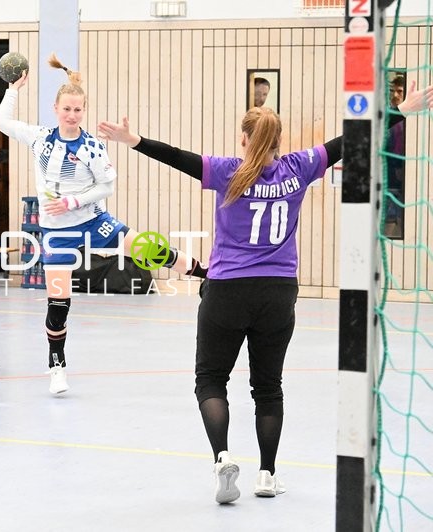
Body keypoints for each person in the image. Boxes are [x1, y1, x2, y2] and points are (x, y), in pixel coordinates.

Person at [97, 79, 433, 503]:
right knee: (268, 387)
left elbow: (177, 158)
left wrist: (134, 140)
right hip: (278, 292)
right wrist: (403, 110)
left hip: (226, 290)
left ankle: (221, 458)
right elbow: (353, 139)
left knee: (211, 380)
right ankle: (268, 474)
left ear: (243, 138)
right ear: (279, 140)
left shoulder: (227, 172)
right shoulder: (299, 168)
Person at [0, 54, 207, 395]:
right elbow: (2, 122)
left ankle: (207, 275)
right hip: (57, 233)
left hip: (94, 221)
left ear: (84, 111)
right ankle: (57, 366)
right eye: (67, 109)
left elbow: (107, 186)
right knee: (58, 304)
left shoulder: (91, 146)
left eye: (78, 109)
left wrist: (72, 201)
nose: (72, 115)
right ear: (55, 108)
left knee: (147, 248)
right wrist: (13, 89)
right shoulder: (40, 139)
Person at [385, 73, 406, 237]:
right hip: (389, 178)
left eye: (400, 91)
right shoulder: (388, 119)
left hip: (402, 180)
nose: (395, 95)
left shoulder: (405, 121)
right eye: (393, 91)